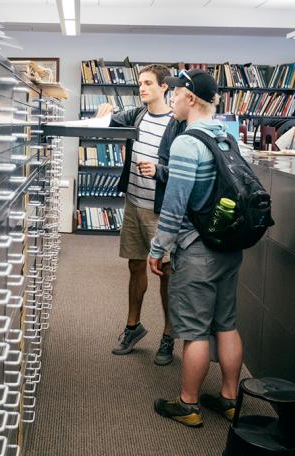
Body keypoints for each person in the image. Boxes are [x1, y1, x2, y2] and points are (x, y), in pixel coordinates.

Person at [147, 69, 244, 427]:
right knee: (227, 324)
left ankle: (188, 403)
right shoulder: (230, 138)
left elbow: (175, 205)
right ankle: (230, 399)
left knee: (194, 331)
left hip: (198, 248)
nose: (171, 99)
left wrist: (158, 248)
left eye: (175, 94)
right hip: (230, 246)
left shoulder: (186, 142)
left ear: (190, 98)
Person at [96, 64, 186, 365]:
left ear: (164, 87)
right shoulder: (136, 114)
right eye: (140, 83)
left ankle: (168, 335)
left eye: (148, 83)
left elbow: (186, 171)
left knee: (165, 273)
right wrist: (102, 113)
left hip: (160, 211)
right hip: (134, 205)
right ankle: (133, 327)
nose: (142, 88)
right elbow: (107, 123)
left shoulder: (177, 124)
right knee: (135, 266)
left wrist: (159, 172)